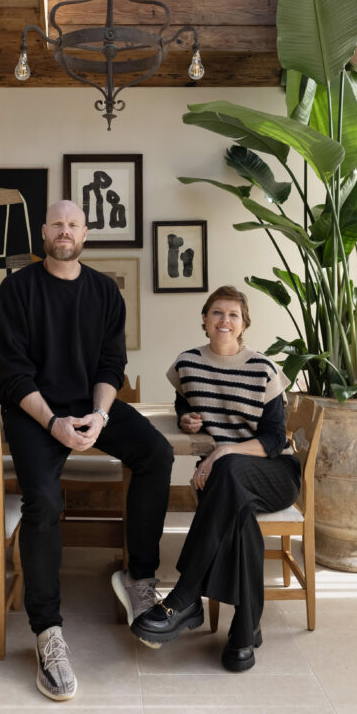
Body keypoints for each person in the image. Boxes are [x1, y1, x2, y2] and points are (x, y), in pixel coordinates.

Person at [0, 199, 173, 701]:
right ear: (44, 232)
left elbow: (111, 365)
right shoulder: (16, 289)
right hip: (34, 412)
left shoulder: (104, 292)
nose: (65, 231)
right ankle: (48, 633)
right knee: (44, 502)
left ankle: (138, 577)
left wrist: (100, 415)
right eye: (57, 224)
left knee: (156, 454)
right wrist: (53, 423)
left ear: (85, 234)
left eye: (74, 224)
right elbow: (10, 375)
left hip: (88, 407)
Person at [130, 285, 301, 672]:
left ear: (244, 325)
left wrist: (223, 451)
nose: (225, 320)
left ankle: (185, 595)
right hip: (225, 483)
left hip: (273, 474)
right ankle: (244, 630)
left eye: (233, 315)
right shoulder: (188, 364)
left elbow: (275, 439)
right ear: (205, 320)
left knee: (226, 472)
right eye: (217, 313)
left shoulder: (263, 369)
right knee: (238, 517)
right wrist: (185, 420)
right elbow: (185, 405)